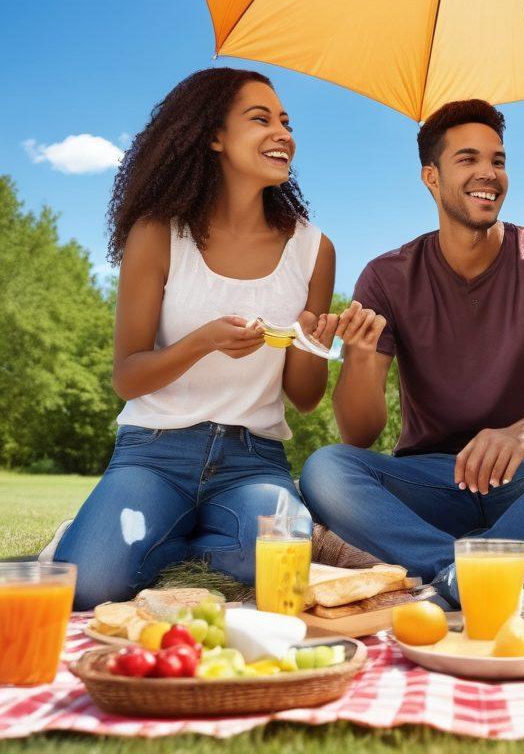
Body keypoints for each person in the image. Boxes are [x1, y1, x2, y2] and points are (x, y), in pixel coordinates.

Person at [300, 100, 524, 617]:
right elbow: (357, 435)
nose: (488, 174)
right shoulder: (386, 276)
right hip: (429, 484)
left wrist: (521, 434)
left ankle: (457, 578)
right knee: (325, 469)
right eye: (468, 159)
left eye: (497, 160)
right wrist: (358, 358)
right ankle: (508, 561)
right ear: (431, 176)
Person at [55, 69, 339, 610]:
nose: (283, 133)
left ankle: (161, 540)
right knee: (89, 587)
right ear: (213, 136)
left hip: (254, 460)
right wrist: (202, 342)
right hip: (154, 453)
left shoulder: (313, 249)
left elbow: (304, 397)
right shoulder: (158, 232)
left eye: (286, 121)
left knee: (280, 563)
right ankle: (136, 531)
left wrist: (307, 340)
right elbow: (127, 375)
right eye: (260, 119)